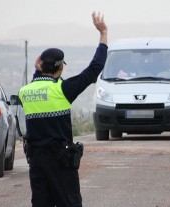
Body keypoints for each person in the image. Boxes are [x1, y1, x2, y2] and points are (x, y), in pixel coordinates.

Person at [18, 12, 107, 207]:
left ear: (40, 65)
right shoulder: (63, 90)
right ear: (60, 68)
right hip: (60, 161)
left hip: (37, 162)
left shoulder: (25, 92)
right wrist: (103, 34)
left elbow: (37, 84)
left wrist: (36, 70)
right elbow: (94, 68)